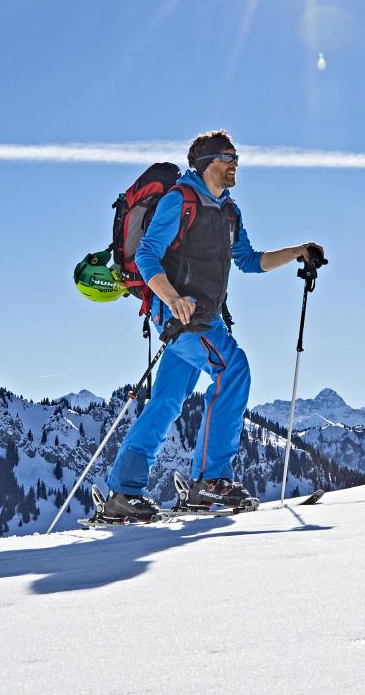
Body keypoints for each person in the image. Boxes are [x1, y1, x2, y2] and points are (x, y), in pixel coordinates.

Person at [102, 129, 324, 519]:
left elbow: (249, 260)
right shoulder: (179, 200)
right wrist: (172, 298)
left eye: (236, 155)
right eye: (227, 156)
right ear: (206, 163)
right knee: (233, 369)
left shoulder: (229, 211)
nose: (235, 162)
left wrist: (296, 252)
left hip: (202, 315)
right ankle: (209, 482)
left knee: (168, 400)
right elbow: (147, 257)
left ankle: (124, 493)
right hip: (182, 316)